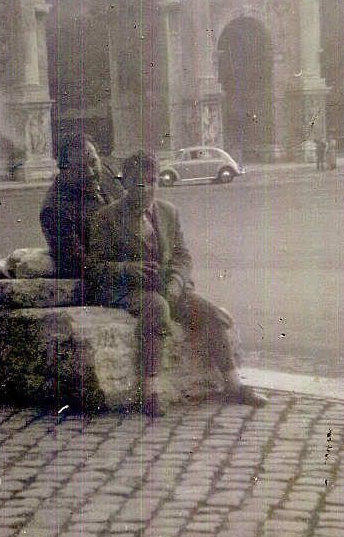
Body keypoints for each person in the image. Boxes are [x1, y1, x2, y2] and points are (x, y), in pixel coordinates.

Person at [87, 150, 268, 416]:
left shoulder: (168, 213)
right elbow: (94, 267)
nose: (147, 189)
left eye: (152, 181)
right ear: (124, 183)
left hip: (166, 286)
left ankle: (234, 384)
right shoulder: (107, 218)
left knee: (209, 311)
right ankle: (149, 392)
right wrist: (126, 269)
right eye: (139, 182)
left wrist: (175, 282)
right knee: (157, 308)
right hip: (125, 290)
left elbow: (182, 255)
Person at [39, 134, 123, 280]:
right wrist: (128, 270)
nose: (90, 172)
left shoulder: (107, 178)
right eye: (80, 167)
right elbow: (80, 265)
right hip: (99, 283)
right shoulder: (55, 209)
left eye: (93, 162)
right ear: (64, 169)